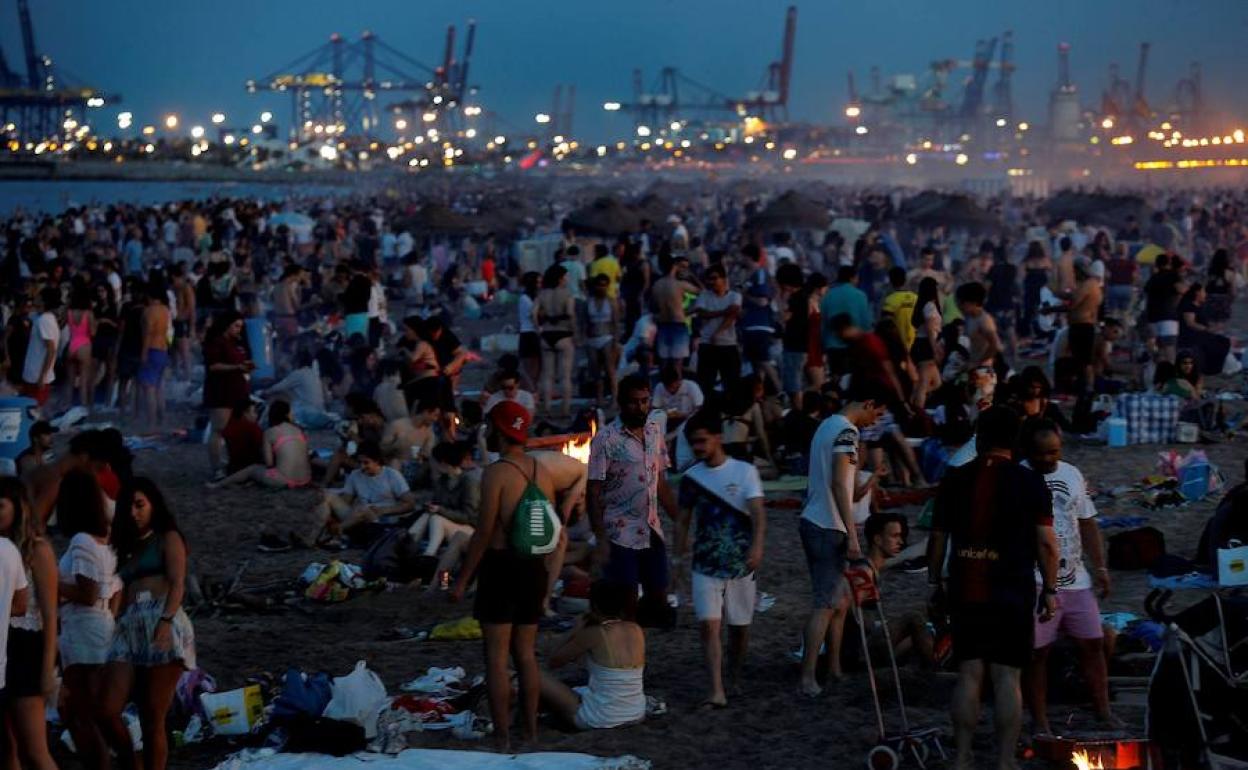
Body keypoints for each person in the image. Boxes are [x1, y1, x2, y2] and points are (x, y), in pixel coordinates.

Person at [926, 406, 1059, 770]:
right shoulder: (1030, 481)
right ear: (1016, 441)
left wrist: (934, 582)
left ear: (979, 437)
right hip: (1013, 590)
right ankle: (1004, 759)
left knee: (969, 674)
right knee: (1007, 677)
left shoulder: (955, 478)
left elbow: (938, 539)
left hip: (966, 585)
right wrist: (1050, 588)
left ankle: (962, 756)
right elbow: (1047, 542)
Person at [449, 401, 585, 751]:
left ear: (498, 430)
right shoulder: (541, 470)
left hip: (502, 567)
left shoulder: (497, 472)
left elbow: (483, 533)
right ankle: (531, 732)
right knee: (525, 655)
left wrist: (463, 580)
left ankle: (503, 736)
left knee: (495, 658)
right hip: (534, 569)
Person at [1018, 421, 1118, 737]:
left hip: (1076, 578)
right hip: (1034, 579)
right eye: (1043, 453)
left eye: (1055, 452)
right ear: (1029, 451)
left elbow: (1087, 522)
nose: (1050, 458)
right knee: (1037, 654)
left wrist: (1100, 567)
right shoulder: (1018, 477)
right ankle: (1040, 720)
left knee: (1093, 644)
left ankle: (1103, 711)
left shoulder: (1072, 474)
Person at [798, 385, 888, 695]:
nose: (873, 422)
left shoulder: (827, 424)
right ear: (868, 401)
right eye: (875, 414)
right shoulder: (848, 433)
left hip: (814, 518)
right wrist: (852, 536)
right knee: (824, 603)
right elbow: (839, 484)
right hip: (827, 525)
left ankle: (834, 668)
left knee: (837, 602)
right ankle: (808, 677)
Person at [100, 478, 195, 770]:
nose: (133, 512)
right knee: (107, 709)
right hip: (128, 626)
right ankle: (132, 763)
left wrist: (166, 621)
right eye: (128, 506)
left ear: (153, 504)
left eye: (140, 505)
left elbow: (178, 583)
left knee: (152, 715)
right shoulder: (126, 546)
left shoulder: (167, 537)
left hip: (161, 619)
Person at [675, 410, 766, 709]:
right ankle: (716, 689)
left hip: (741, 564)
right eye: (693, 443)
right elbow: (682, 521)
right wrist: (677, 559)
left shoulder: (744, 472)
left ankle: (735, 676)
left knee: (739, 627)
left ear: (718, 438)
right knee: (709, 627)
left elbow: (758, 515)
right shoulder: (691, 478)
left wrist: (757, 547)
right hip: (705, 563)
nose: (698, 448)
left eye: (702, 441)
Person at [588, 374, 680, 626]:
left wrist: (680, 519)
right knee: (626, 597)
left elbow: (660, 482)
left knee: (658, 596)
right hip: (619, 530)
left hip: (650, 527)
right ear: (621, 402)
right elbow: (593, 492)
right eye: (633, 402)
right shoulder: (605, 439)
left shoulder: (654, 433)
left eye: (644, 401)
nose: (639, 407)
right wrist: (601, 538)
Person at [56, 469, 119, 770]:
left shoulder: (81, 541)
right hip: (101, 627)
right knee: (90, 710)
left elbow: (87, 592)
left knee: (79, 711)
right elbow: (113, 590)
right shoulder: (105, 539)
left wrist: (48, 583)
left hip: (83, 630)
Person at [0, 479, 56, 770]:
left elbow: (49, 615)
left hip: (26, 646)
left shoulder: (37, 550)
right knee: (6, 749)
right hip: (3, 645)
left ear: (18, 508)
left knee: (35, 749)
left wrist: (47, 670)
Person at [539, 580, 646, 730]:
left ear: (593, 605)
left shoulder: (595, 633)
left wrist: (575, 630)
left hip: (601, 717)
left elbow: (554, 661)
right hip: (636, 712)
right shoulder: (635, 629)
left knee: (534, 674)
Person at [307, 441, 417, 548]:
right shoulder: (355, 475)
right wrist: (329, 501)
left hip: (381, 521)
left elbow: (410, 504)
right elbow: (346, 501)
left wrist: (385, 510)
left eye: (366, 462)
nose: (362, 466)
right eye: (360, 462)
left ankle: (336, 532)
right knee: (327, 495)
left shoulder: (392, 475)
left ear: (377, 460)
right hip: (357, 519)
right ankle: (312, 538)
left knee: (363, 509)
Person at [208, 400, 311, 490]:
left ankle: (218, 485)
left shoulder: (269, 432)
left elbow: (269, 463)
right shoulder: (298, 430)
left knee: (252, 469)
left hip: (284, 480)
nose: (257, 415)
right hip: (305, 478)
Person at [203, 312, 254, 480]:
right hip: (221, 390)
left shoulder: (236, 342)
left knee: (246, 426)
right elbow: (213, 366)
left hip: (238, 389)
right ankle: (216, 467)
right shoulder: (216, 342)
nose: (239, 329)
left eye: (240, 326)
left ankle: (240, 462)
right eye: (236, 326)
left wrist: (245, 366)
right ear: (227, 325)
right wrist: (238, 367)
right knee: (219, 429)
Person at [692, 265, 742, 394]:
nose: (711, 282)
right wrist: (723, 312)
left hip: (728, 343)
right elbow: (701, 313)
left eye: (714, 278)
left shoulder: (734, 296)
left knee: (731, 383)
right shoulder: (705, 295)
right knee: (705, 383)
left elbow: (733, 314)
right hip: (707, 344)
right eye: (709, 279)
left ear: (724, 279)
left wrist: (717, 333)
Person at [536, 264, 577, 418]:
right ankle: (565, 409)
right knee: (565, 376)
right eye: (565, 277)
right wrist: (574, 333)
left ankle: (547, 407)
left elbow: (535, 314)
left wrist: (539, 328)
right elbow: (570, 314)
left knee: (547, 375)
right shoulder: (567, 294)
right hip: (563, 334)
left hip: (546, 334)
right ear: (560, 278)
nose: (566, 279)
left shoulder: (543, 294)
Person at [651, 254, 700, 376]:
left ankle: (663, 391)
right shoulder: (680, 284)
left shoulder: (656, 285)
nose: (684, 271)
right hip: (678, 324)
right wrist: (692, 277)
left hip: (662, 325)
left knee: (664, 363)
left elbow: (652, 307)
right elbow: (703, 292)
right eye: (682, 267)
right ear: (675, 266)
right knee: (677, 365)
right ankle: (676, 392)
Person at [821, 265, 872, 376]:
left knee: (836, 379)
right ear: (852, 278)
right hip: (855, 345)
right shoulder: (860, 295)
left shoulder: (827, 296)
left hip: (832, 347)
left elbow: (823, 323)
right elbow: (866, 323)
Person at [583, 274, 621, 406]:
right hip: (592, 338)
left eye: (604, 285)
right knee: (595, 371)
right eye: (600, 285)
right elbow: (584, 322)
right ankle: (600, 398)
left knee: (610, 369)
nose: (602, 288)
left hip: (607, 337)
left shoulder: (611, 301)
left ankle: (615, 398)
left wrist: (616, 341)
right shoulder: (588, 302)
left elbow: (616, 322)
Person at [139, 283, 172, 430]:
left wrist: (144, 353)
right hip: (163, 349)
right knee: (159, 387)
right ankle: (162, 419)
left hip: (152, 348)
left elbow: (148, 333)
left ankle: (151, 423)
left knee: (149, 388)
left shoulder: (149, 311)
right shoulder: (166, 310)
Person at [21, 287, 62, 407]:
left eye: (38, 296)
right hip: (32, 374)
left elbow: (51, 349)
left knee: (34, 410)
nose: (35, 298)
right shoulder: (41, 318)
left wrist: (42, 376)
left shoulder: (44, 321)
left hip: (37, 376)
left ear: (43, 301)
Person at [1067, 260, 1103, 395]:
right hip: (1087, 325)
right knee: (1085, 360)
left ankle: (1087, 388)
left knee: (1083, 360)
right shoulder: (1095, 285)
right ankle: (1087, 387)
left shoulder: (1086, 286)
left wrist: (1052, 309)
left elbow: (1072, 305)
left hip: (1081, 325)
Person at [1143, 254, 1183, 364]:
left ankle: (1159, 370)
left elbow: (1146, 292)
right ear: (1168, 264)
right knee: (1170, 348)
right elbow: (1181, 290)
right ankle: (1172, 375)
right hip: (1168, 316)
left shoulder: (1153, 278)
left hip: (1152, 317)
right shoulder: (1173, 276)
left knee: (1158, 348)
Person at [64, 284, 96, 414]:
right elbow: (93, 332)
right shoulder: (88, 313)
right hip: (84, 346)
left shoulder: (69, 312)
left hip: (71, 346)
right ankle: (82, 409)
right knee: (83, 380)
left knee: (69, 381)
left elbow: (62, 325)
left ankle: (67, 406)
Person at [517, 271, 542, 393]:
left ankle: (533, 390)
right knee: (528, 367)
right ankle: (531, 390)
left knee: (536, 366)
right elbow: (533, 315)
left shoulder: (533, 297)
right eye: (538, 282)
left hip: (532, 333)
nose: (540, 284)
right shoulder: (525, 298)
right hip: (528, 333)